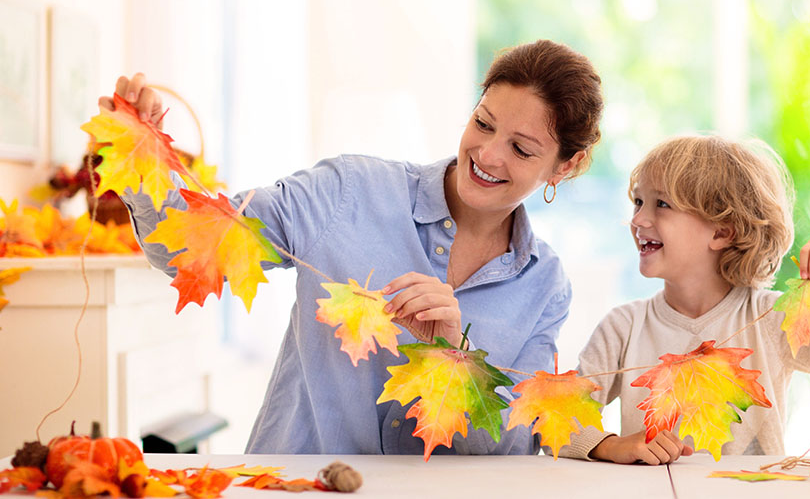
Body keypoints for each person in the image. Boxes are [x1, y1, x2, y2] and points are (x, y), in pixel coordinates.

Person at [100, 39, 604, 455]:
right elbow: (190, 251)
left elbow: (512, 444)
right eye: (483, 123)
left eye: (520, 148)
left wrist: (455, 353)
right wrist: (141, 162)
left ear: (565, 166)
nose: (487, 154)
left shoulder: (544, 285)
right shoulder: (345, 192)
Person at [560, 134, 810, 464]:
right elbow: (560, 420)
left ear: (722, 231)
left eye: (661, 204)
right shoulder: (623, 328)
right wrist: (608, 444)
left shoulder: (774, 320)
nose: (638, 218)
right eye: (638, 201)